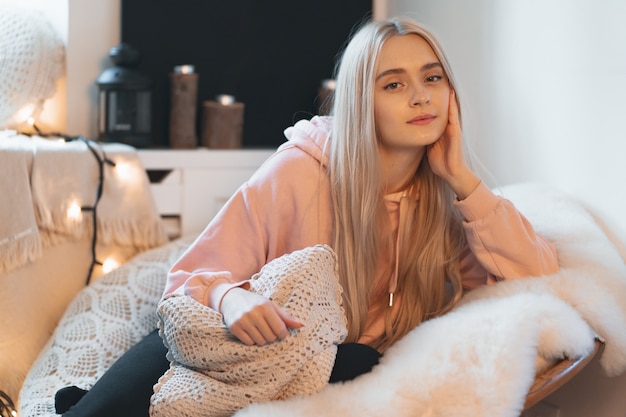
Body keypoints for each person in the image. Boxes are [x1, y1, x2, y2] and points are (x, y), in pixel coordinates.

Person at [55, 16, 559, 416]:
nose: (421, 96)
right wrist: (231, 301)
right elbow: (188, 279)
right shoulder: (298, 171)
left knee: (362, 360)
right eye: (393, 84)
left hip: (324, 361)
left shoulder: (451, 203)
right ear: (362, 100)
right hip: (237, 342)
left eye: (432, 78)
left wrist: (464, 180)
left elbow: (538, 277)